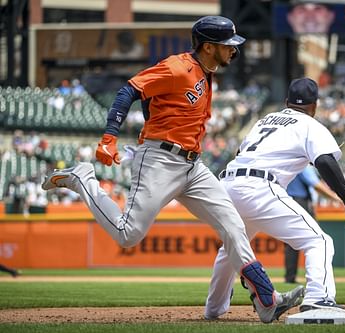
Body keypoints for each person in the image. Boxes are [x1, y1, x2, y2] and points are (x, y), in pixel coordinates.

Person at [41, 15, 304, 324]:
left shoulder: (206, 72)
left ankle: (266, 300)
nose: (234, 50)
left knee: (234, 226)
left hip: (193, 166)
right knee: (128, 235)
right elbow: (130, 90)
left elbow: (153, 101)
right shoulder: (176, 67)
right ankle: (83, 178)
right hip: (159, 161)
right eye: (227, 45)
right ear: (208, 47)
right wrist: (109, 137)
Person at [205, 77, 345, 317]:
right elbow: (325, 161)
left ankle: (214, 309)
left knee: (233, 248)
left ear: (287, 102)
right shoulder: (310, 124)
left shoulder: (263, 121)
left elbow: (240, 152)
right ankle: (319, 298)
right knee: (319, 241)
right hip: (258, 187)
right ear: (315, 105)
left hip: (227, 184)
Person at [284, 165, 341, 284]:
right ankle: (318, 278)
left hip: (291, 200)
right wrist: (337, 198)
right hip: (299, 201)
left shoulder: (291, 163)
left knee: (292, 242)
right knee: (318, 239)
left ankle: (290, 277)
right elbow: (316, 185)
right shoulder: (302, 165)